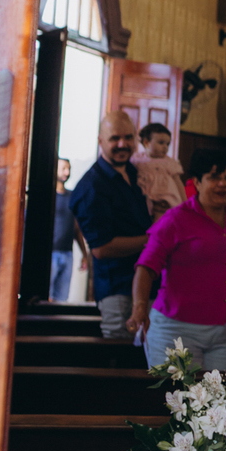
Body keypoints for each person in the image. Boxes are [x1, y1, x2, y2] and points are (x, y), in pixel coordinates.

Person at [128, 150, 226, 369]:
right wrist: (139, 307)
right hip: (175, 329)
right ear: (197, 182)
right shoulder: (176, 218)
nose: (223, 184)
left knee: (224, 393)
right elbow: (146, 267)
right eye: (214, 177)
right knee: (179, 392)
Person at [69, 112, 154, 338]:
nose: (122, 144)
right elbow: (101, 248)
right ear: (100, 141)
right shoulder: (91, 186)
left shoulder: (137, 173)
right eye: (114, 138)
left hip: (151, 285)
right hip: (118, 291)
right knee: (121, 355)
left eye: (128, 137)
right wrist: (155, 240)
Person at [131, 121, 186, 217]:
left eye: (167, 144)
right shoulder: (138, 159)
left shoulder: (169, 162)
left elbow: (179, 183)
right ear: (146, 143)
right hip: (145, 197)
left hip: (166, 198)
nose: (165, 147)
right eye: (161, 143)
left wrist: (185, 202)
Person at [50, 158, 79, 301]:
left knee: (62, 298)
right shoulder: (48, 196)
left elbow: (76, 227)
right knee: (47, 295)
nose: (67, 173)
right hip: (50, 253)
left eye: (69, 169)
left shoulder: (72, 196)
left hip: (67, 252)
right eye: (63, 169)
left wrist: (84, 254)